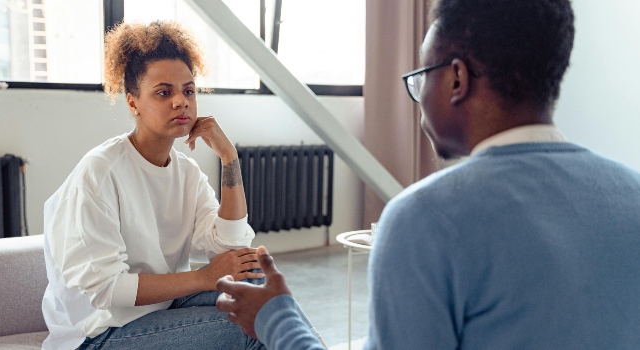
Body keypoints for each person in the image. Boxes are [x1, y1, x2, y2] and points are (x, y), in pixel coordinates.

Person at [216, 0, 640, 349]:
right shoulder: (632, 192)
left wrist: (276, 318)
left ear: (456, 78)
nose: (418, 97)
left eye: (420, 77)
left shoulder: (426, 219)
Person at [41, 21, 268, 349]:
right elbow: (108, 289)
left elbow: (230, 248)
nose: (181, 102)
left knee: (256, 285)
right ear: (133, 103)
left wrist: (229, 159)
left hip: (160, 310)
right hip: (98, 333)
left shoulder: (186, 173)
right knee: (249, 325)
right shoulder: (100, 172)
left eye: (188, 90)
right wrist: (203, 277)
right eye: (164, 92)